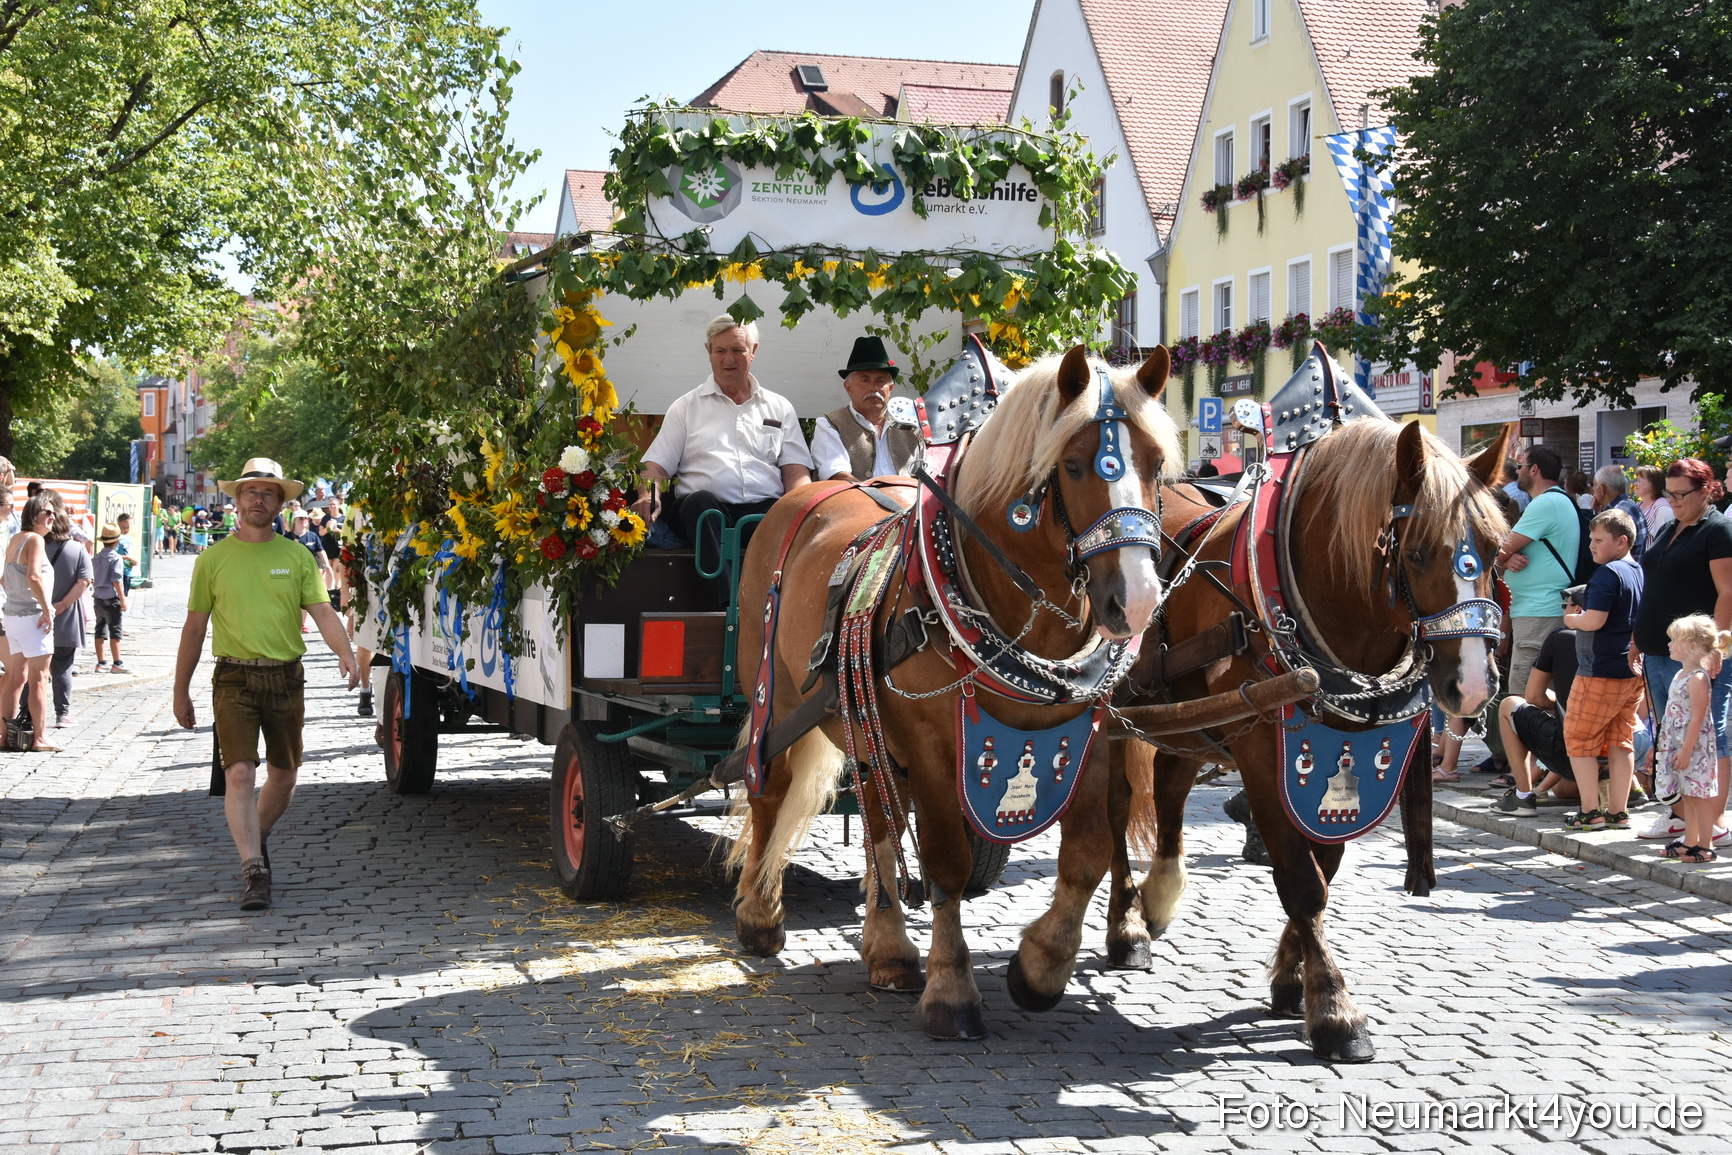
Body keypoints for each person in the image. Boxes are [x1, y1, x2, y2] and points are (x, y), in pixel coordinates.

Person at [173, 457, 360, 912]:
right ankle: (254, 869)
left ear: (280, 503)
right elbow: (194, 629)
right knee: (240, 772)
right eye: (251, 491)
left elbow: (322, 613)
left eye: (269, 493)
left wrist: (347, 654)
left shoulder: (295, 556)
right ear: (236, 499)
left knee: (284, 776)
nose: (260, 499)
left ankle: (257, 834)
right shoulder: (213, 559)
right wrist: (180, 691)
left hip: (286, 678)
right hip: (233, 676)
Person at [634, 316, 814, 603]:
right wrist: (649, 495)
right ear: (708, 352)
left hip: (761, 513)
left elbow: (795, 471)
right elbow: (655, 466)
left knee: (784, 516)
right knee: (703, 505)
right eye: (720, 351)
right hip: (704, 515)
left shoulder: (780, 407)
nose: (729, 359)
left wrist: (800, 505)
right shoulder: (686, 407)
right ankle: (730, 606)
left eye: (738, 350)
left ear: (754, 351)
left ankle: (777, 608)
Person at [1631, 458, 1732, 848]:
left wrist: (1719, 647)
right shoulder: (1673, 527)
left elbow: (1727, 591)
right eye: (1668, 494)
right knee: (1672, 734)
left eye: (1680, 494)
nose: (1672, 501)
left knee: (1709, 736)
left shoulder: (1718, 530)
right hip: (1662, 652)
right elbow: (1656, 585)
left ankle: (1715, 821)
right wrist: (1639, 636)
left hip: (1699, 655)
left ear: (1706, 490)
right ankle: (1681, 816)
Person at [1557, 510, 1644, 831]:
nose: (1591, 546)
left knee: (1579, 738)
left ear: (1621, 542)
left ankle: (1590, 812)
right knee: (1621, 741)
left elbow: (1594, 621)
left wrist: (1571, 619)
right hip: (1630, 670)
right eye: (1591, 539)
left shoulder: (1608, 574)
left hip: (1600, 669)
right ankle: (1618, 812)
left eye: (1598, 540)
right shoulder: (1637, 570)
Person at [1494, 445, 1582, 721]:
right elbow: (1505, 554)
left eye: (1519, 466)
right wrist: (1507, 560)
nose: (1516, 471)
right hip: (1541, 610)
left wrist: (1504, 558)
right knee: (1542, 695)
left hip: (1537, 613)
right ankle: (1544, 763)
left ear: (1534, 469)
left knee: (1522, 700)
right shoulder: (1559, 500)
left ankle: (1525, 765)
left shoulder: (1546, 503)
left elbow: (1497, 550)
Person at [1654, 614, 1731, 862]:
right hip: (1679, 743)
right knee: (1687, 793)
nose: (1669, 645)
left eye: (1674, 640)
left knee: (1700, 795)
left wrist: (1687, 750)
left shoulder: (1698, 678)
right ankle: (1690, 839)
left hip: (1694, 747)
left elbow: (1698, 717)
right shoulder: (1680, 674)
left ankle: (1706, 844)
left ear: (1692, 646)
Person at [1490, 625, 1579, 815]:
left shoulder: (1561, 637)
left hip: (1576, 751)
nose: (1563, 607)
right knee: (1563, 790)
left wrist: (1559, 700)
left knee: (1509, 704)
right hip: (1619, 754)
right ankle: (1627, 792)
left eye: (1567, 604)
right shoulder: (1626, 641)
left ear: (1579, 609)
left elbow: (1534, 696)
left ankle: (1522, 796)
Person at [809, 336, 920, 483]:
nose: (873, 387)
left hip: (910, 501)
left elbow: (927, 470)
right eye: (865, 380)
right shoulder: (830, 424)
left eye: (880, 381)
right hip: (854, 502)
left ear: (890, 388)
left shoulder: (910, 423)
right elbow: (837, 476)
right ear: (848, 387)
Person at [1, 495, 59, 751]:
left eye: (53, 512)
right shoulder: (34, 539)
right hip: (32, 617)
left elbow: (5, 578)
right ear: (34, 514)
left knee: (16, 676)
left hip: (13, 616)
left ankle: (4, 735)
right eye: (47, 512)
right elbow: (33, 575)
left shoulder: (16, 539)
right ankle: (40, 737)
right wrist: (47, 608)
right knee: (39, 677)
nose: (52, 517)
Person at [42, 493, 92, 728]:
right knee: (63, 665)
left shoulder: (36, 545)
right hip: (66, 615)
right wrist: (63, 604)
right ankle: (62, 714)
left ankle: (26, 712)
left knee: (33, 667)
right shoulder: (77, 549)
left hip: (37, 615)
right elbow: (84, 581)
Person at [91, 524, 129, 674]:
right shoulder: (116, 558)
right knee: (115, 630)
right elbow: (116, 579)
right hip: (111, 597)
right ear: (116, 542)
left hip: (98, 597)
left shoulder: (96, 558)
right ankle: (117, 662)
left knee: (99, 629)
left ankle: (101, 662)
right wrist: (123, 598)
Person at [1590, 466, 1647, 560]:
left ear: (1602, 489)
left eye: (1594, 484)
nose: (1592, 489)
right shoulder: (1626, 505)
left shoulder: (1621, 510)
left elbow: (1605, 551)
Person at [291, 512, 334, 634]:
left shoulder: (312, 536)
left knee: (306, 598)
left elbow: (320, 551)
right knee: (295, 598)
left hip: (312, 570)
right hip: (293, 570)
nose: (304, 520)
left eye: (306, 518)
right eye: (301, 518)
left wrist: (327, 566)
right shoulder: (287, 536)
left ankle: (303, 624)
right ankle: (294, 622)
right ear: (295, 520)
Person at [1632, 465, 1674, 544]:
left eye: (1639, 481)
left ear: (1652, 485)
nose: (1635, 484)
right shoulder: (1638, 506)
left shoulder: (1663, 509)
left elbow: (1666, 541)